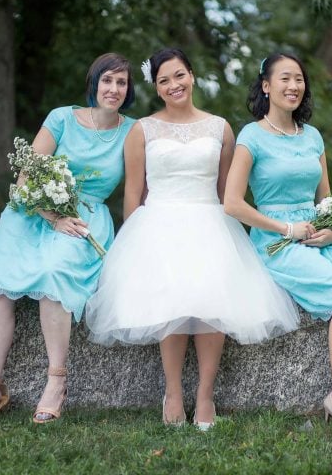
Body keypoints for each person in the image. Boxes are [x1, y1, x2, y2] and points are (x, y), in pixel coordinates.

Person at [85, 48, 299, 430]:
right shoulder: (142, 130)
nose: (174, 85)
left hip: (208, 220)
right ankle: (172, 392)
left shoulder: (220, 128)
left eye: (179, 75)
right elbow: (133, 195)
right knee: (171, 300)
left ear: (192, 76)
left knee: (212, 298)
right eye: (164, 80)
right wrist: (136, 248)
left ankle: (205, 394)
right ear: (156, 87)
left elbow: (224, 192)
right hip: (158, 223)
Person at [0, 53, 137, 427]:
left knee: (54, 273)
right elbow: (25, 179)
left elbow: (137, 191)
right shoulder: (61, 118)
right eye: (107, 80)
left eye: (121, 83)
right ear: (94, 83)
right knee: (1, 285)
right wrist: (52, 217)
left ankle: (57, 383)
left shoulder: (132, 131)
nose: (114, 89)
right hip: (34, 212)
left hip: (85, 219)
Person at [224, 53, 332, 427]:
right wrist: (287, 230)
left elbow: (324, 198)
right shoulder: (251, 136)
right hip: (276, 239)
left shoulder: (312, 136)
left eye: (298, 79)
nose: (293, 86)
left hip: (319, 235)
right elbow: (231, 204)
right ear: (266, 86)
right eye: (284, 78)